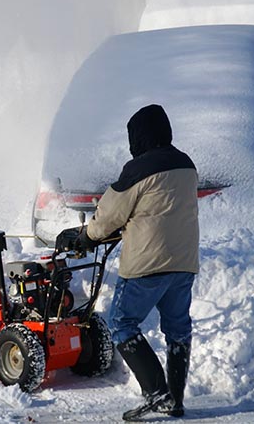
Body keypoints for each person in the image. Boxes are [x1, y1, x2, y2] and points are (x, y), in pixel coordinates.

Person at [59, 104, 199, 421]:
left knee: (123, 325)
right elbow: (160, 208)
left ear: (139, 136)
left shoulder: (138, 169)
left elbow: (108, 216)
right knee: (178, 330)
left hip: (147, 265)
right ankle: (174, 399)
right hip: (184, 263)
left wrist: (88, 236)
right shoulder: (186, 164)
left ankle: (156, 392)